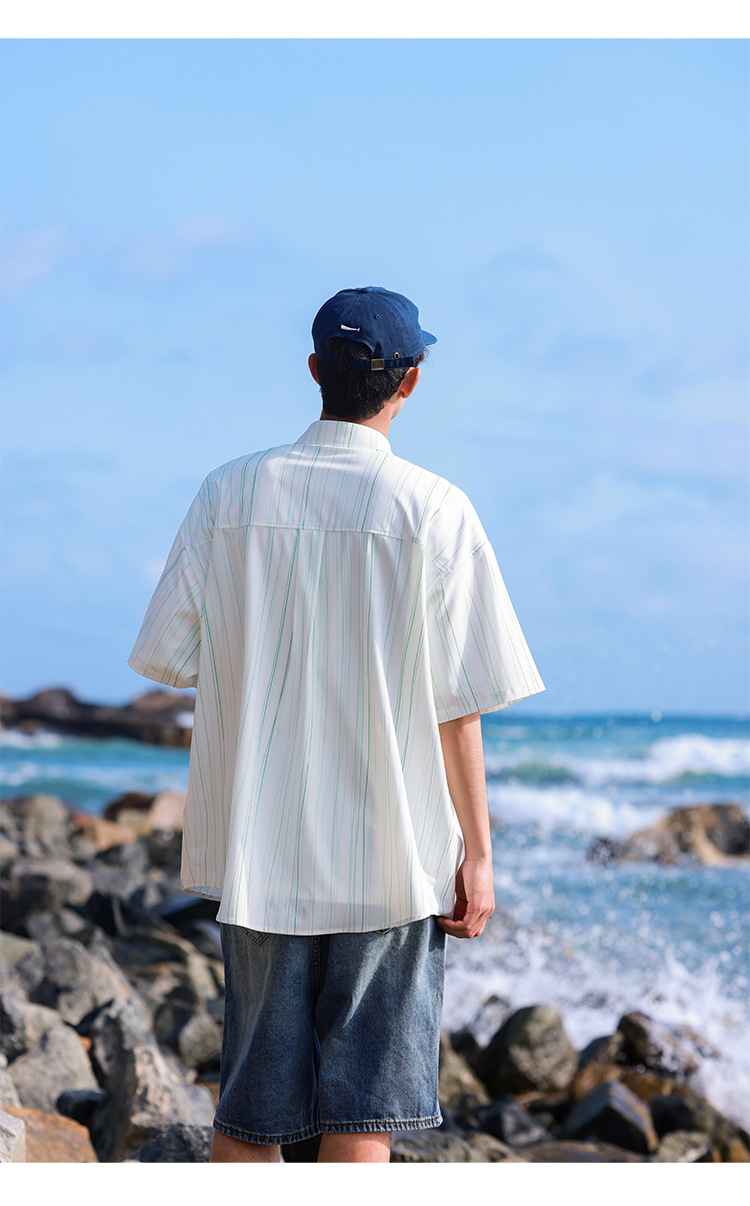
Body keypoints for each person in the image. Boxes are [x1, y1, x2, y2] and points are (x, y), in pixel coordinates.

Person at [128, 286, 545, 1164]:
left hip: (259, 851)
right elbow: (459, 703)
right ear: (412, 381)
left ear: (315, 370)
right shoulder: (435, 509)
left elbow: (172, 656)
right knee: (361, 1119)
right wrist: (478, 853)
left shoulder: (227, 494)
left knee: (250, 1117)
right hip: (392, 858)